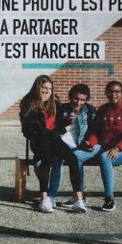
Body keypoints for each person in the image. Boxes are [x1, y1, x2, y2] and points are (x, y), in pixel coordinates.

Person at [72, 80, 122, 212]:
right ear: (106, 93)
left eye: (117, 92)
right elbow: (96, 131)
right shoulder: (103, 109)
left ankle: (109, 199)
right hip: (104, 145)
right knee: (76, 156)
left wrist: (117, 148)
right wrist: (90, 143)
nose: (114, 94)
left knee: (105, 157)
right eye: (110, 91)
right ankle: (79, 197)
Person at [19, 75, 79, 213]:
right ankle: (45, 199)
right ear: (37, 88)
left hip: (55, 140)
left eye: (50, 89)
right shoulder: (29, 104)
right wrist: (61, 130)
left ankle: (50, 198)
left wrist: (68, 120)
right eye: (44, 88)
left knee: (61, 161)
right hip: (39, 141)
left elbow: (60, 123)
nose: (47, 91)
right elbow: (29, 130)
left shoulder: (55, 104)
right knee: (43, 162)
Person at [48, 84, 96, 209]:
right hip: (63, 143)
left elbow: (94, 130)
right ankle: (51, 197)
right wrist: (68, 121)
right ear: (70, 97)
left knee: (77, 158)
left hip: (81, 145)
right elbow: (55, 129)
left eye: (82, 100)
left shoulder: (89, 110)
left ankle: (79, 198)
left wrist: (90, 142)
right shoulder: (62, 108)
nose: (78, 102)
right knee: (57, 162)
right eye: (76, 99)